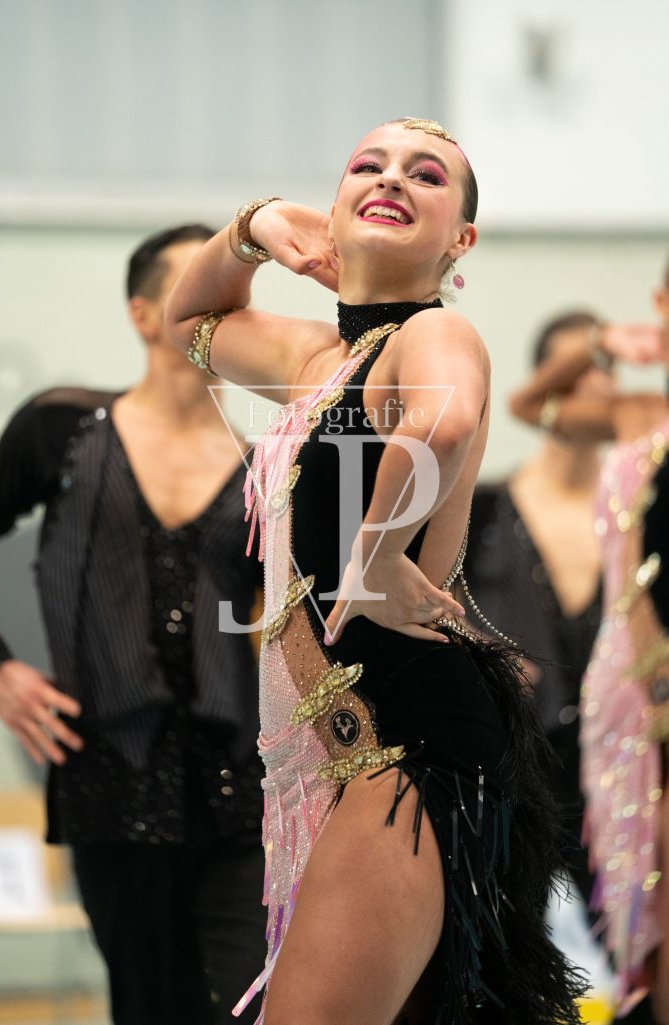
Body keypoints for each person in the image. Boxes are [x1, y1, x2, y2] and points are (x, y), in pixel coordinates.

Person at [165, 119, 585, 1025]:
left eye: (425, 174)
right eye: (368, 164)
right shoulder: (318, 360)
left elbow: (441, 422)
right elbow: (187, 320)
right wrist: (253, 226)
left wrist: (380, 553)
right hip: (349, 749)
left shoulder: (434, 332)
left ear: (460, 239)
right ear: (334, 208)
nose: (392, 178)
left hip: (407, 741)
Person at [0, 225, 267, 1025]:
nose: (220, 303)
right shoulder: (61, 428)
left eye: (234, 290)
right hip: (107, 776)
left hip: (240, 784)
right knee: (151, 1008)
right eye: (197, 284)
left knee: (259, 1000)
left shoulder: (267, 467)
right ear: (143, 314)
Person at [510, 258, 669, 1025]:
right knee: (631, 884)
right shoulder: (635, 412)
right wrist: (601, 342)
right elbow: (529, 401)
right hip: (620, 687)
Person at [464, 310, 613, 909]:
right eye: (576, 370)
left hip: (621, 772)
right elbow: (429, 611)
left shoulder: (640, 517)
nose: (593, 383)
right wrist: (487, 655)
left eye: (604, 369)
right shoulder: (482, 514)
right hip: (516, 775)